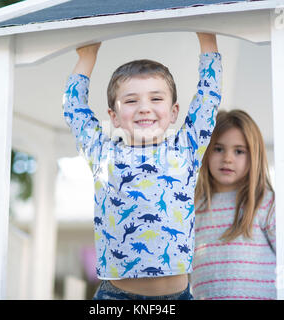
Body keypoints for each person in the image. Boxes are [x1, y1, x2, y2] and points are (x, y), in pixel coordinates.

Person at [62, 33, 222, 300]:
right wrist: (87, 56)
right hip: (116, 296)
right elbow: (74, 109)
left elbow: (208, 99)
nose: (144, 108)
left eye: (156, 99)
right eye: (131, 100)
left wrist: (208, 41)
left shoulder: (186, 148)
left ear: (174, 112)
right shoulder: (103, 154)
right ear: (113, 116)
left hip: (177, 296)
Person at [191, 109, 276, 300]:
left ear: (254, 155)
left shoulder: (265, 202)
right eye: (218, 149)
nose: (227, 158)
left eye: (239, 151)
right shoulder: (192, 207)